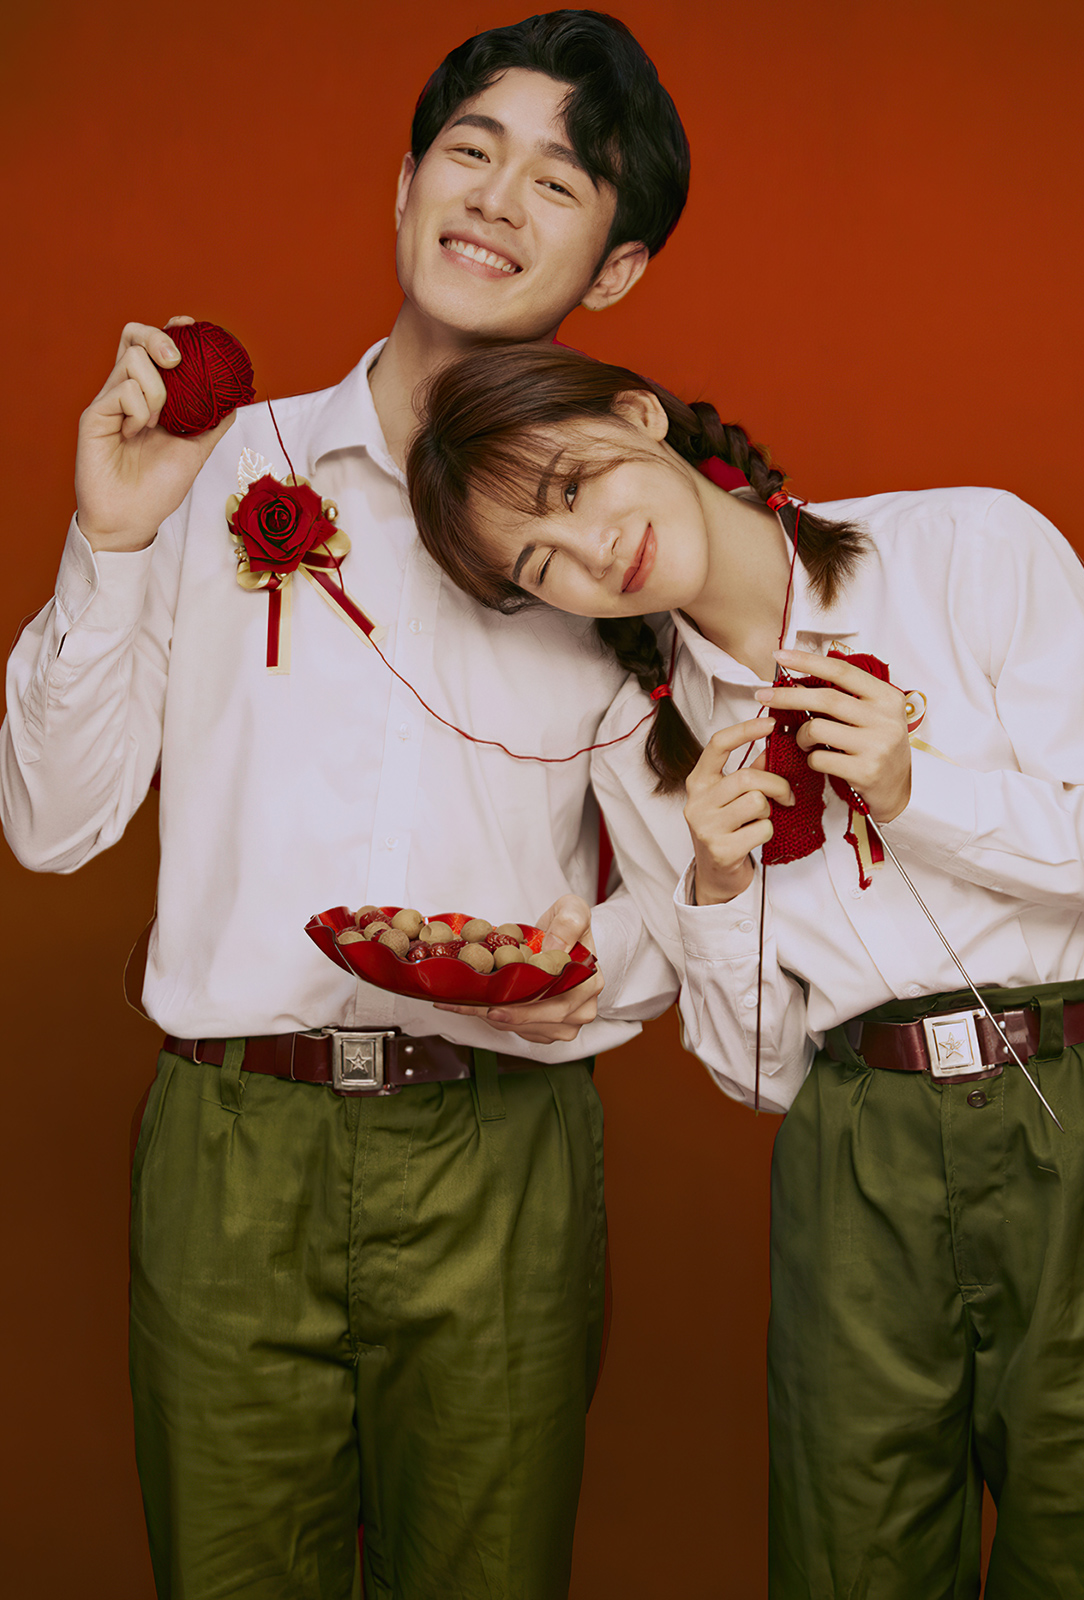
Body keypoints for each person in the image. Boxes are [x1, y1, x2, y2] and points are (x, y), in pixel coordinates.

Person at [0, 16, 689, 1599]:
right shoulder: (213, 464)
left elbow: (685, 887)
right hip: (233, 1147)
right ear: (404, 182)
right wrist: (113, 542)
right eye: (470, 151)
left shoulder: (621, 534)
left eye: (557, 182)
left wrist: (590, 972)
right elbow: (51, 825)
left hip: (499, 1143)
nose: (495, 199)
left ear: (618, 267)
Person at [405, 340, 1084, 1598]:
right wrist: (715, 891)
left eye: (573, 485)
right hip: (858, 1149)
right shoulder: (645, 741)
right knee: (851, 1552)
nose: (592, 550)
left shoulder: (969, 548)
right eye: (539, 564)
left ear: (639, 415)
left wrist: (916, 791)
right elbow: (763, 1077)